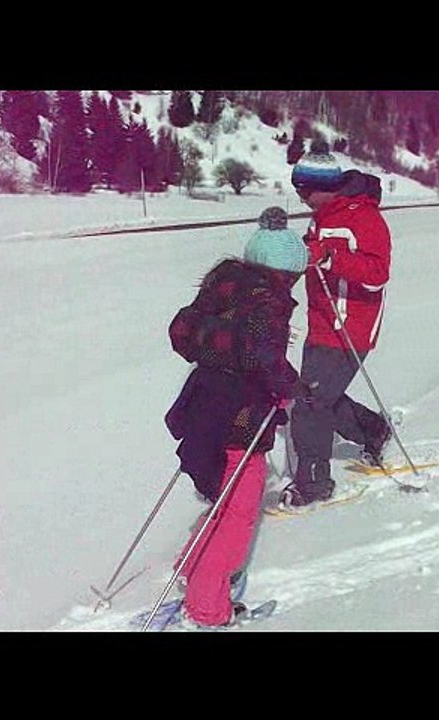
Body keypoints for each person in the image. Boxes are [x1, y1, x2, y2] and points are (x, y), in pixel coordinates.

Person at [164, 206, 312, 628]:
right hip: (242, 415)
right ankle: (208, 607)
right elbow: (266, 361)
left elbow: (189, 336)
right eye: (293, 278)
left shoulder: (224, 287)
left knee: (223, 498)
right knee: (240, 509)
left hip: (202, 402)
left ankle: (190, 568)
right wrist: (291, 385)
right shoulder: (267, 303)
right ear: (283, 272)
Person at [283, 141, 393, 508]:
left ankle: (313, 484)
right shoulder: (322, 216)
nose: (301, 199)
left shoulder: (365, 217)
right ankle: (373, 429)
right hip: (320, 323)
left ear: (323, 187)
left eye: (304, 191)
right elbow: (314, 258)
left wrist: (330, 257)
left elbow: (377, 275)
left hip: (351, 327)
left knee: (310, 403)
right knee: (316, 394)